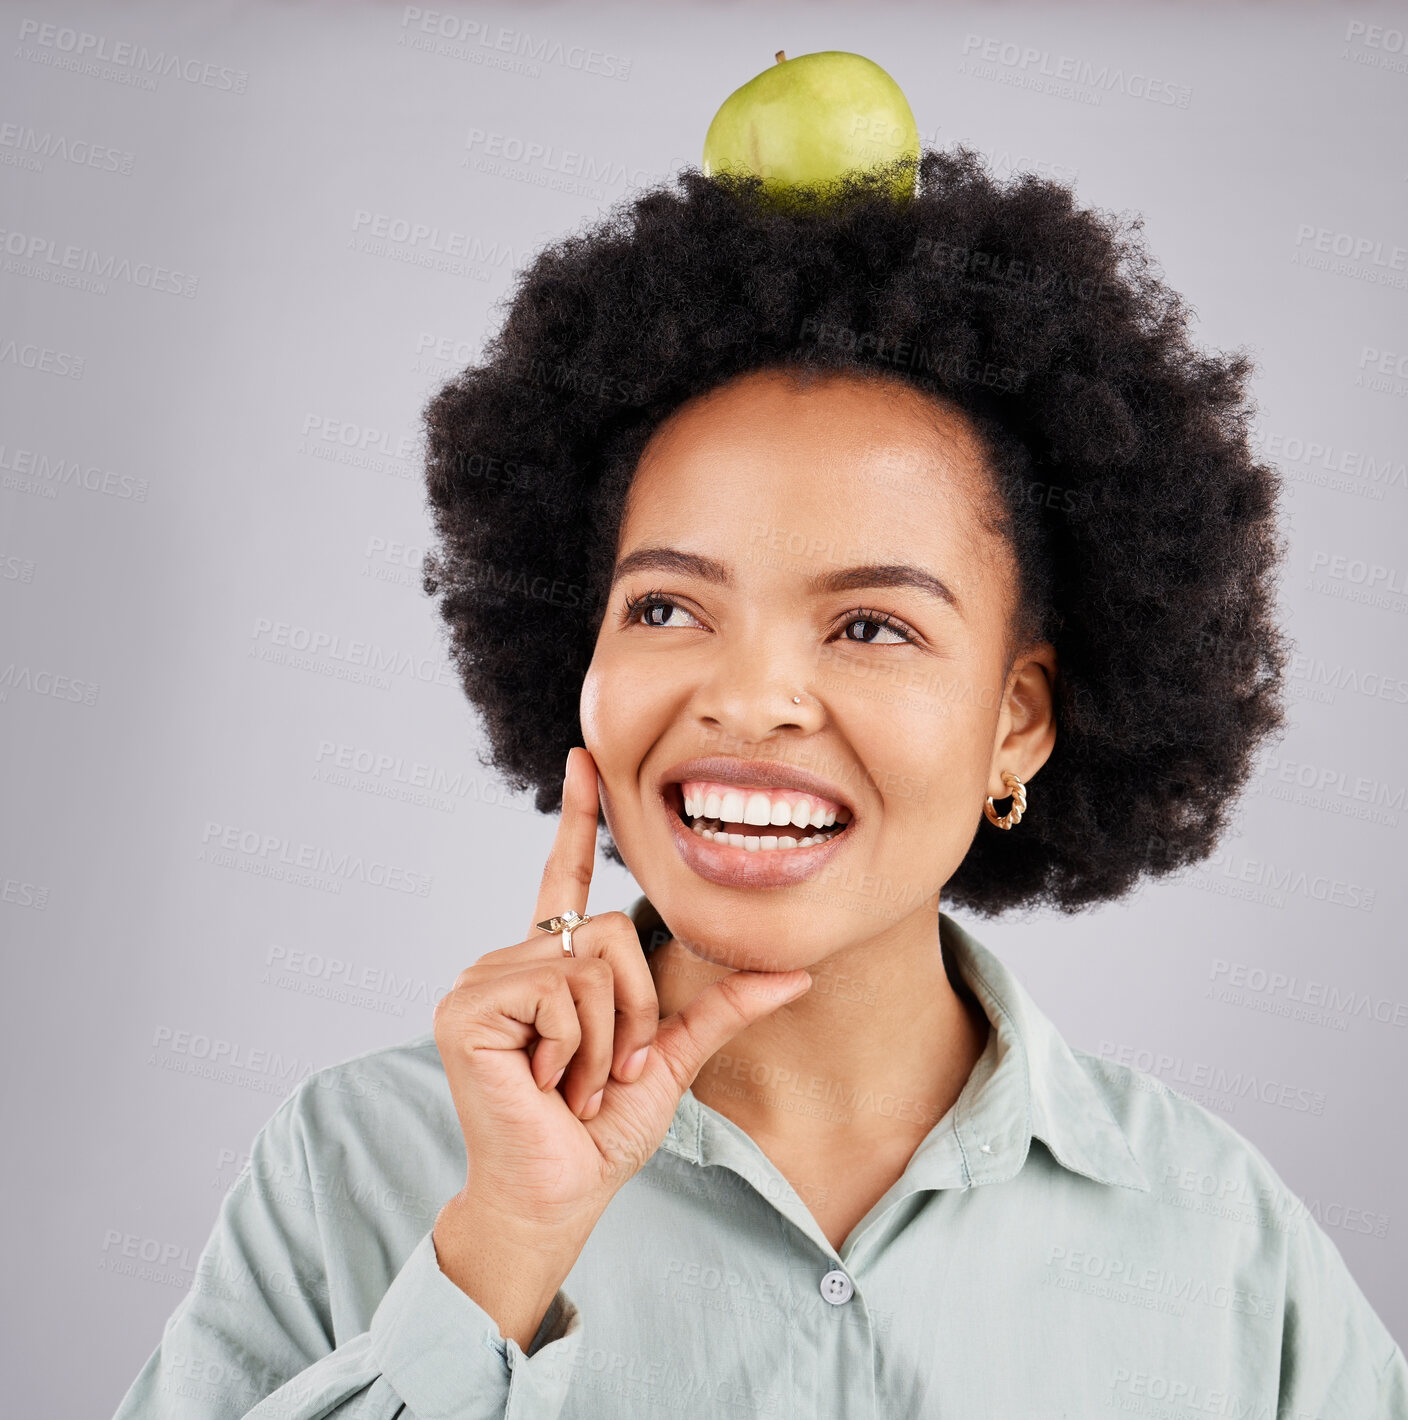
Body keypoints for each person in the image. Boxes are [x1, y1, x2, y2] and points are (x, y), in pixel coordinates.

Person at [113, 149, 1408, 1418]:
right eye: (667, 605)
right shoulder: (352, 1163)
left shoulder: (1216, 1234)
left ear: (1016, 721)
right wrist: (504, 1248)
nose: (746, 699)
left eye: (869, 626)